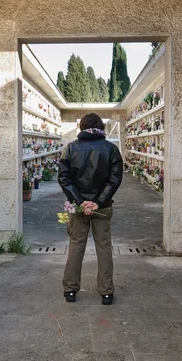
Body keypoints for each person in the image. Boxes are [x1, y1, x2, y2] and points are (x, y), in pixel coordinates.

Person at [58, 113, 123, 305]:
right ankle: (106, 292)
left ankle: (70, 290)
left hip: (78, 209)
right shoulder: (111, 149)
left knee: (76, 246)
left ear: (82, 127)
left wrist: (80, 202)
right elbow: (115, 179)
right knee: (104, 247)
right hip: (102, 207)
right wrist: (98, 202)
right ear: (101, 127)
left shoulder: (71, 148)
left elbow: (64, 178)